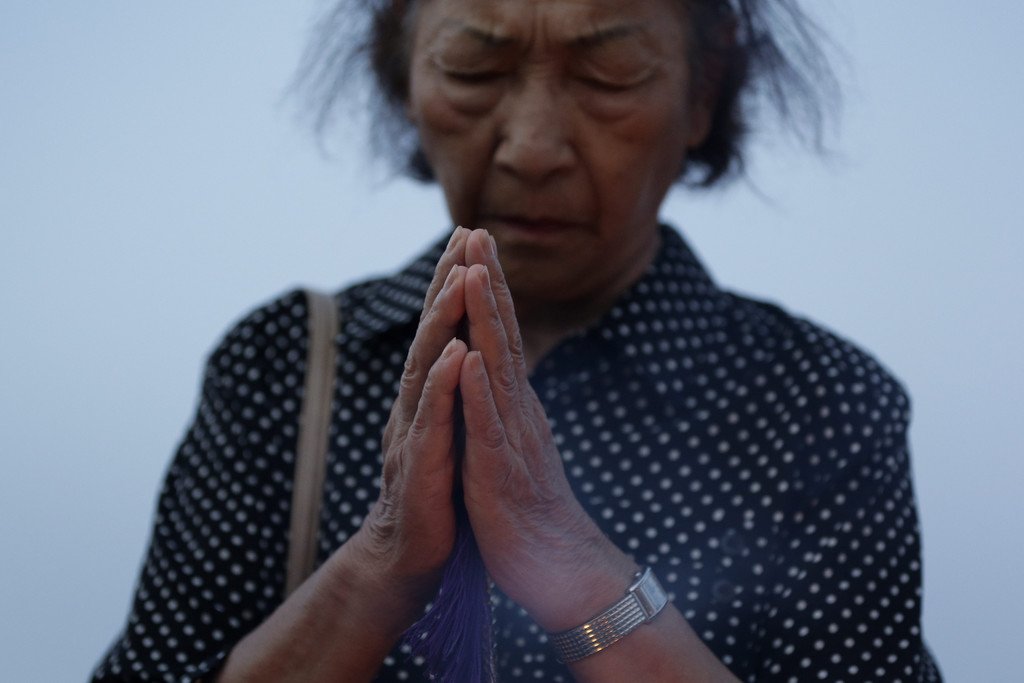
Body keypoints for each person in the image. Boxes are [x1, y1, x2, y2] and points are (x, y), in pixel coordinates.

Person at [92, 0, 942, 681]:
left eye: (609, 74)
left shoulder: (820, 402)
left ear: (702, 91)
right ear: (404, 75)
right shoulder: (283, 367)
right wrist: (383, 561)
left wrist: (579, 572)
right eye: (474, 69)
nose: (532, 148)